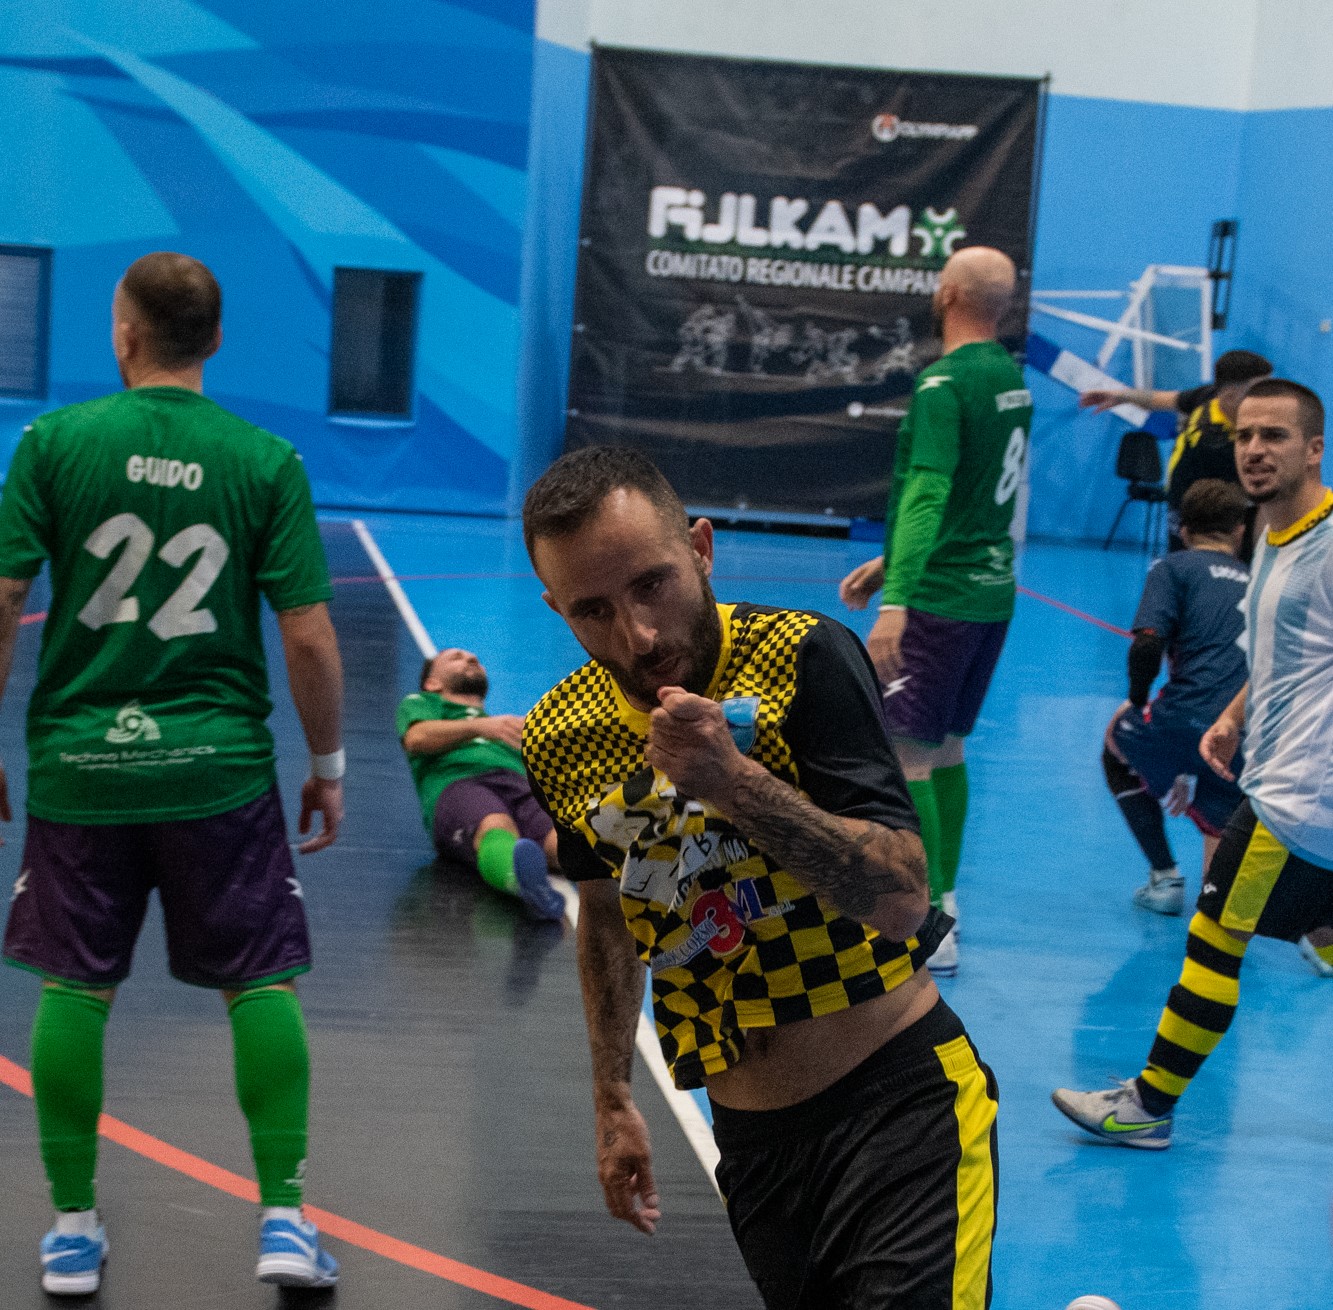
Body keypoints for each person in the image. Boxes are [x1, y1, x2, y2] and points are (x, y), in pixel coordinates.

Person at [522, 445, 998, 1310]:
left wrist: (733, 783)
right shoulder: (560, 735)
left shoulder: (801, 656)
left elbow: (901, 898)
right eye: (593, 610)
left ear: (700, 549)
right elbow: (604, 914)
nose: (638, 635)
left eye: (652, 584)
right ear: (557, 609)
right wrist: (612, 1094)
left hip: (900, 1107)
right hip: (751, 1144)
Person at [0, 253, 344, 1293]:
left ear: (125, 334)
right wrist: (327, 763)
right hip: (218, 772)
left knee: (76, 984)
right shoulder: (265, 460)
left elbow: (1, 602)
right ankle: (283, 1217)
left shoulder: (52, 443)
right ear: (216, 340)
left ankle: (71, 1227)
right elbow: (309, 636)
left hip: (81, 768)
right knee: (259, 979)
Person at [1053, 378, 1333, 1150]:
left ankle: (1146, 1107)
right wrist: (1233, 716)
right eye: (1244, 436)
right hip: (1277, 775)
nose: (1254, 450)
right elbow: (1280, 651)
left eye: (1274, 436)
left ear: (1313, 449)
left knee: (1214, 936)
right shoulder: (1268, 536)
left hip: (1297, 799)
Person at [840, 245, 1033, 977]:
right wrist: (891, 561)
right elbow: (979, 493)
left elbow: (927, 494)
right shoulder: (1008, 378)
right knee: (948, 749)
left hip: (941, 601)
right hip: (991, 593)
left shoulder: (943, 384)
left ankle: (927, 923)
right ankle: (947, 901)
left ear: (947, 293)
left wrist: (897, 600)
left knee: (906, 758)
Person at [1102, 479, 1249, 914]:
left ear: (1182, 529)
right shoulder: (1259, 579)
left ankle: (1164, 877)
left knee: (1116, 743)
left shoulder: (1173, 568)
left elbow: (1147, 644)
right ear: (1240, 530)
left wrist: (1137, 699)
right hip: (1244, 730)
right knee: (1221, 820)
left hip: (1181, 720)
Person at [397, 647, 564, 921]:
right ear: (432, 683)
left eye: (473, 658)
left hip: (517, 783)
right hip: (458, 783)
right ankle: (523, 883)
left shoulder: (502, 727)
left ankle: (620, 874)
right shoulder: (421, 703)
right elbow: (417, 738)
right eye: (456, 658)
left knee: (562, 838)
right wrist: (483, 728)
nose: (471, 659)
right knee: (495, 825)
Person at [1080, 349, 1272, 553]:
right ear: (1230, 395)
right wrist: (1121, 396)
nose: (1269, 397)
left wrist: (1122, 396)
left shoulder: (1219, 402)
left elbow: (1168, 399)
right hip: (1194, 515)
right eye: (1259, 391)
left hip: (1222, 517)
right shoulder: (1216, 439)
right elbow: (1168, 399)